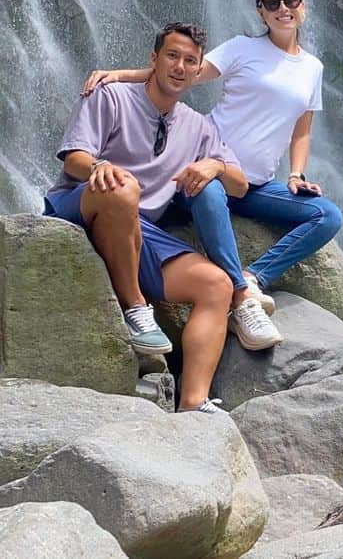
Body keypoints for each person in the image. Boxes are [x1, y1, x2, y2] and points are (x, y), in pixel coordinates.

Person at [83, 0, 343, 331]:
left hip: (255, 185)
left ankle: (254, 277)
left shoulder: (312, 68)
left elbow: (302, 130)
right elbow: (181, 73)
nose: (282, 8)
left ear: (303, 6)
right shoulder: (242, 48)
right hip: (208, 168)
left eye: (290, 0)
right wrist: (120, 75)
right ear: (261, 11)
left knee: (328, 215)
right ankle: (240, 297)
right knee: (207, 192)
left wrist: (296, 174)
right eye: (272, 2)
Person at [45, 22, 271, 414]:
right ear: (154, 59)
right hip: (83, 206)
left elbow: (238, 186)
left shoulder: (199, 127)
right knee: (123, 187)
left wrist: (214, 165)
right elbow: (75, 156)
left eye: (189, 61)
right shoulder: (111, 96)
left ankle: (193, 403)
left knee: (217, 286)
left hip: (140, 229)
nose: (180, 67)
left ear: (199, 70)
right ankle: (136, 309)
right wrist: (100, 167)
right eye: (172, 56)